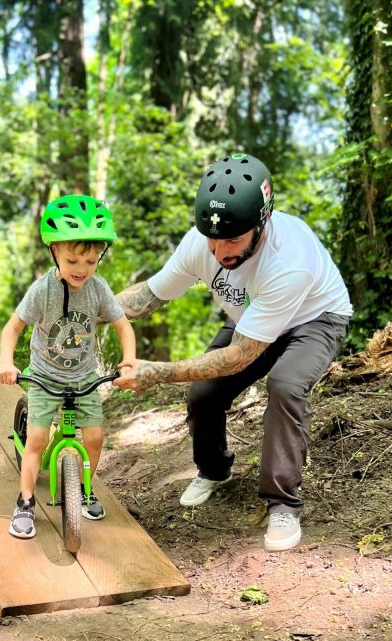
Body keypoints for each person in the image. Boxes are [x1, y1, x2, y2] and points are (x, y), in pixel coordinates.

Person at [114, 152, 352, 552]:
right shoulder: (200, 243)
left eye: (233, 240)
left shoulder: (289, 260)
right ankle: (214, 469)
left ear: (263, 224)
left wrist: (155, 372)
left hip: (314, 319)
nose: (219, 251)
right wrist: (83, 308)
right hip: (253, 316)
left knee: (286, 384)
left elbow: (241, 356)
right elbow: (148, 297)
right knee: (204, 392)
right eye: (212, 238)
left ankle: (283, 504)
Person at [0, 194, 136, 540]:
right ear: (54, 251)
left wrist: (129, 362)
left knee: (94, 436)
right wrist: (6, 363)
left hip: (83, 377)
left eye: (91, 260)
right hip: (45, 377)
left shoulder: (98, 289)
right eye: (73, 258)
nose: (82, 269)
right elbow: (12, 328)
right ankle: (25, 501)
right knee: (38, 439)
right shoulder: (42, 291)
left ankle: (86, 487)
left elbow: (123, 326)